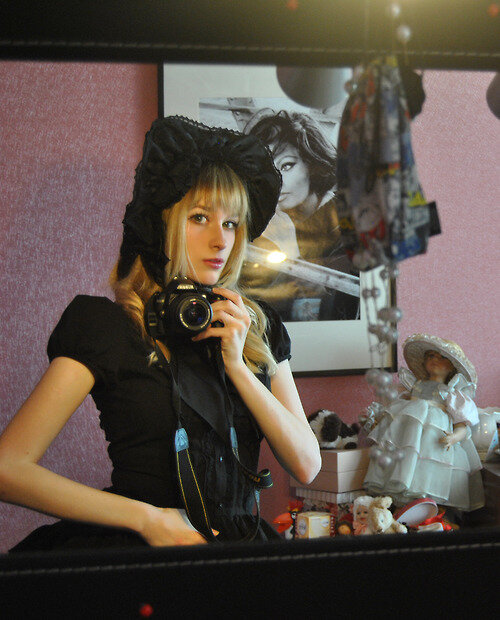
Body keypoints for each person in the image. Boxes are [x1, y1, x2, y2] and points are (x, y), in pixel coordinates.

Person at [0, 116, 321, 551]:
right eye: (200, 218)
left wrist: (237, 366)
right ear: (163, 223)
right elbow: (7, 469)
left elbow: (306, 465)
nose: (220, 240)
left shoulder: (254, 325)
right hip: (138, 553)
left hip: (239, 557)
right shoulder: (108, 327)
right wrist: (147, 519)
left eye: (231, 223)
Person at [239, 109, 359, 322]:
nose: (276, 181)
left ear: (312, 165)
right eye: (264, 170)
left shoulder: (346, 225)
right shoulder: (265, 226)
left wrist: (288, 247)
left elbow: (328, 314)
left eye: (287, 166)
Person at [363, 334, 484, 512]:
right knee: (405, 463)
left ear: (452, 367)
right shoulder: (414, 386)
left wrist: (454, 437)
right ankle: (402, 506)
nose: (435, 360)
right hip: (408, 437)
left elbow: (462, 424)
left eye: (442, 358)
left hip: (434, 440)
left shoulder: (451, 393)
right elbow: (397, 414)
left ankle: (429, 509)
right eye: (431, 356)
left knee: (428, 470)